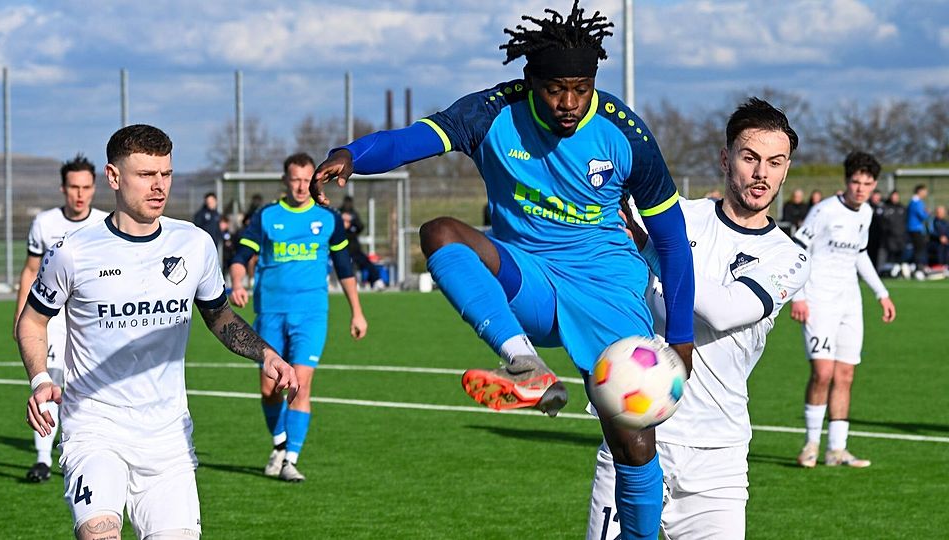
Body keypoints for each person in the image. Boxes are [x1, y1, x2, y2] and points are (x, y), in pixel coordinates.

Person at [311, 3, 695, 537]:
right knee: (441, 233)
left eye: (582, 89)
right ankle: (524, 362)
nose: (570, 103)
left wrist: (681, 338)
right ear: (529, 79)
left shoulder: (624, 133)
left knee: (634, 441)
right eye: (556, 88)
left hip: (608, 288)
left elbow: (673, 242)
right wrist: (351, 154)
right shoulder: (491, 113)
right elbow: (411, 141)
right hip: (528, 278)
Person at [17, 124, 297, 540]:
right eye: (146, 175)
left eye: (165, 174)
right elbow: (32, 319)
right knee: (99, 532)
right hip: (95, 427)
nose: (159, 186)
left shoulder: (195, 244)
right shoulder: (73, 252)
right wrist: (40, 378)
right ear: (114, 177)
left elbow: (219, 315)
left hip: (167, 436)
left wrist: (267, 354)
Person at [587, 98, 809, 540]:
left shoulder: (790, 256)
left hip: (717, 457)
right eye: (750, 158)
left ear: (786, 170)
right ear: (726, 159)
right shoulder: (677, 217)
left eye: (775, 162)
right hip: (635, 434)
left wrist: (655, 249)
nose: (761, 173)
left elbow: (725, 311)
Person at [229, 152, 368, 483]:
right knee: (269, 388)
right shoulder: (266, 216)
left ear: (315, 181)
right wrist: (237, 282)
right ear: (284, 181)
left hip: (311, 314)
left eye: (307, 179)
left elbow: (345, 268)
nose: (301, 186)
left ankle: (291, 459)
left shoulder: (329, 219)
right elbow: (240, 256)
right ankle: (279, 445)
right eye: (295, 179)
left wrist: (357, 312)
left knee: (300, 384)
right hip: (270, 312)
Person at [792, 150, 896, 469]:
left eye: (867, 183)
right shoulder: (823, 210)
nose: (860, 189)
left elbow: (861, 254)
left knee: (846, 374)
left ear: (874, 184)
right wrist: (798, 295)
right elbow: (798, 248)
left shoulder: (866, 213)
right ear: (846, 181)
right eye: (855, 182)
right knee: (822, 373)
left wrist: (882, 293)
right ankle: (811, 444)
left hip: (850, 302)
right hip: (819, 300)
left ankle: (837, 450)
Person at [12, 153, 109, 483]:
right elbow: (30, 270)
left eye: (85, 187)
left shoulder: (105, 223)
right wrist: (20, 316)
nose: (79, 194)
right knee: (47, 382)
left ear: (94, 188)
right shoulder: (44, 223)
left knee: (88, 385)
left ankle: (88, 449)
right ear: (62, 188)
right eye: (73, 187)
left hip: (90, 321)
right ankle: (42, 459)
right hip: (51, 320)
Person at [882, 190, 908, 277]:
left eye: (896, 196)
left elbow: (905, 221)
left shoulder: (902, 208)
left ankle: (900, 272)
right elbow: (884, 222)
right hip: (890, 237)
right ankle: (890, 273)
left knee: (901, 255)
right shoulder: (886, 207)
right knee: (891, 255)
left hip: (901, 236)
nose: (895, 198)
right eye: (893, 196)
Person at [907, 184, 930, 279]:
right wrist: (927, 212)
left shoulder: (914, 201)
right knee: (919, 250)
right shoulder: (916, 202)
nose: (926, 193)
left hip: (915, 229)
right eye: (925, 191)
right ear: (920, 191)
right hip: (915, 229)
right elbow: (923, 215)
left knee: (918, 249)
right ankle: (918, 269)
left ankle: (917, 267)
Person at [866, 189, 885, 270]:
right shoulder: (866, 206)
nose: (876, 198)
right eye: (875, 196)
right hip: (867, 235)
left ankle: (876, 270)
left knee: (877, 255)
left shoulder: (882, 207)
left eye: (878, 196)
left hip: (879, 236)